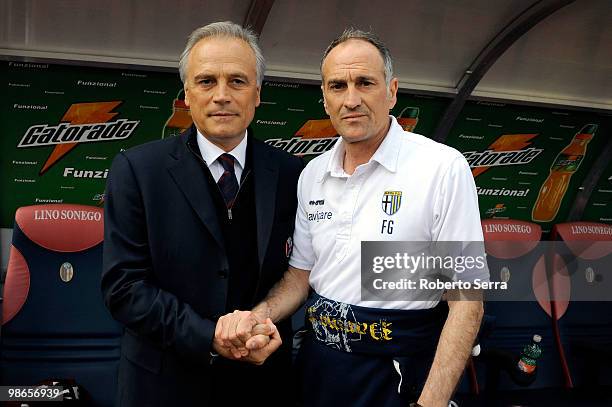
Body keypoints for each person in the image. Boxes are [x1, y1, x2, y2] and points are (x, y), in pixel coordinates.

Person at [217, 28, 488, 407]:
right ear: (325, 99)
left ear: (392, 91)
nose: (352, 99)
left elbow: (466, 299)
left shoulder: (441, 167)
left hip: (398, 370)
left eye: (365, 83)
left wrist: (432, 403)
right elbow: (300, 276)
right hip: (319, 363)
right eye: (338, 86)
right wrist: (257, 316)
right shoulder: (312, 174)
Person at [101, 21, 302, 406]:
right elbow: (123, 288)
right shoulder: (137, 171)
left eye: (238, 81)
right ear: (187, 95)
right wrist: (209, 335)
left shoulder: (294, 174)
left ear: (257, 94)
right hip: (161, 387)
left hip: (264, 384)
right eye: (207, 81)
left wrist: (258, 327)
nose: (222, 95)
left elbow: (299, 274)